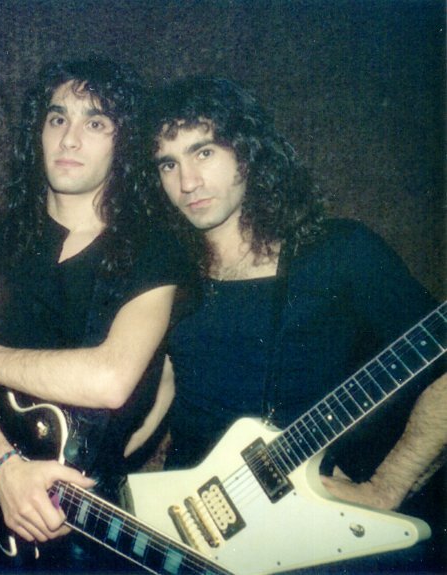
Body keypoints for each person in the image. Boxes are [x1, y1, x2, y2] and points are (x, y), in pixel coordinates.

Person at [147, 76, 446, 572]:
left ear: (248, 153)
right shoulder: (166, 276)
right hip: (182, 524)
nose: (187, 182)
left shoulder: (341, 251)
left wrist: (387, 486)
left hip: (300, 535)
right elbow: (157, 395)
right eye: (168, 163)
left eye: (204, 152)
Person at [0, 56, 188, 571]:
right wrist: (2, 467)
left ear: (124, 142)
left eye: (95, 123)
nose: (70, 139)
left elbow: (109, 380)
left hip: (87, 521)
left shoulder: (157, 250)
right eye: (57, 119)